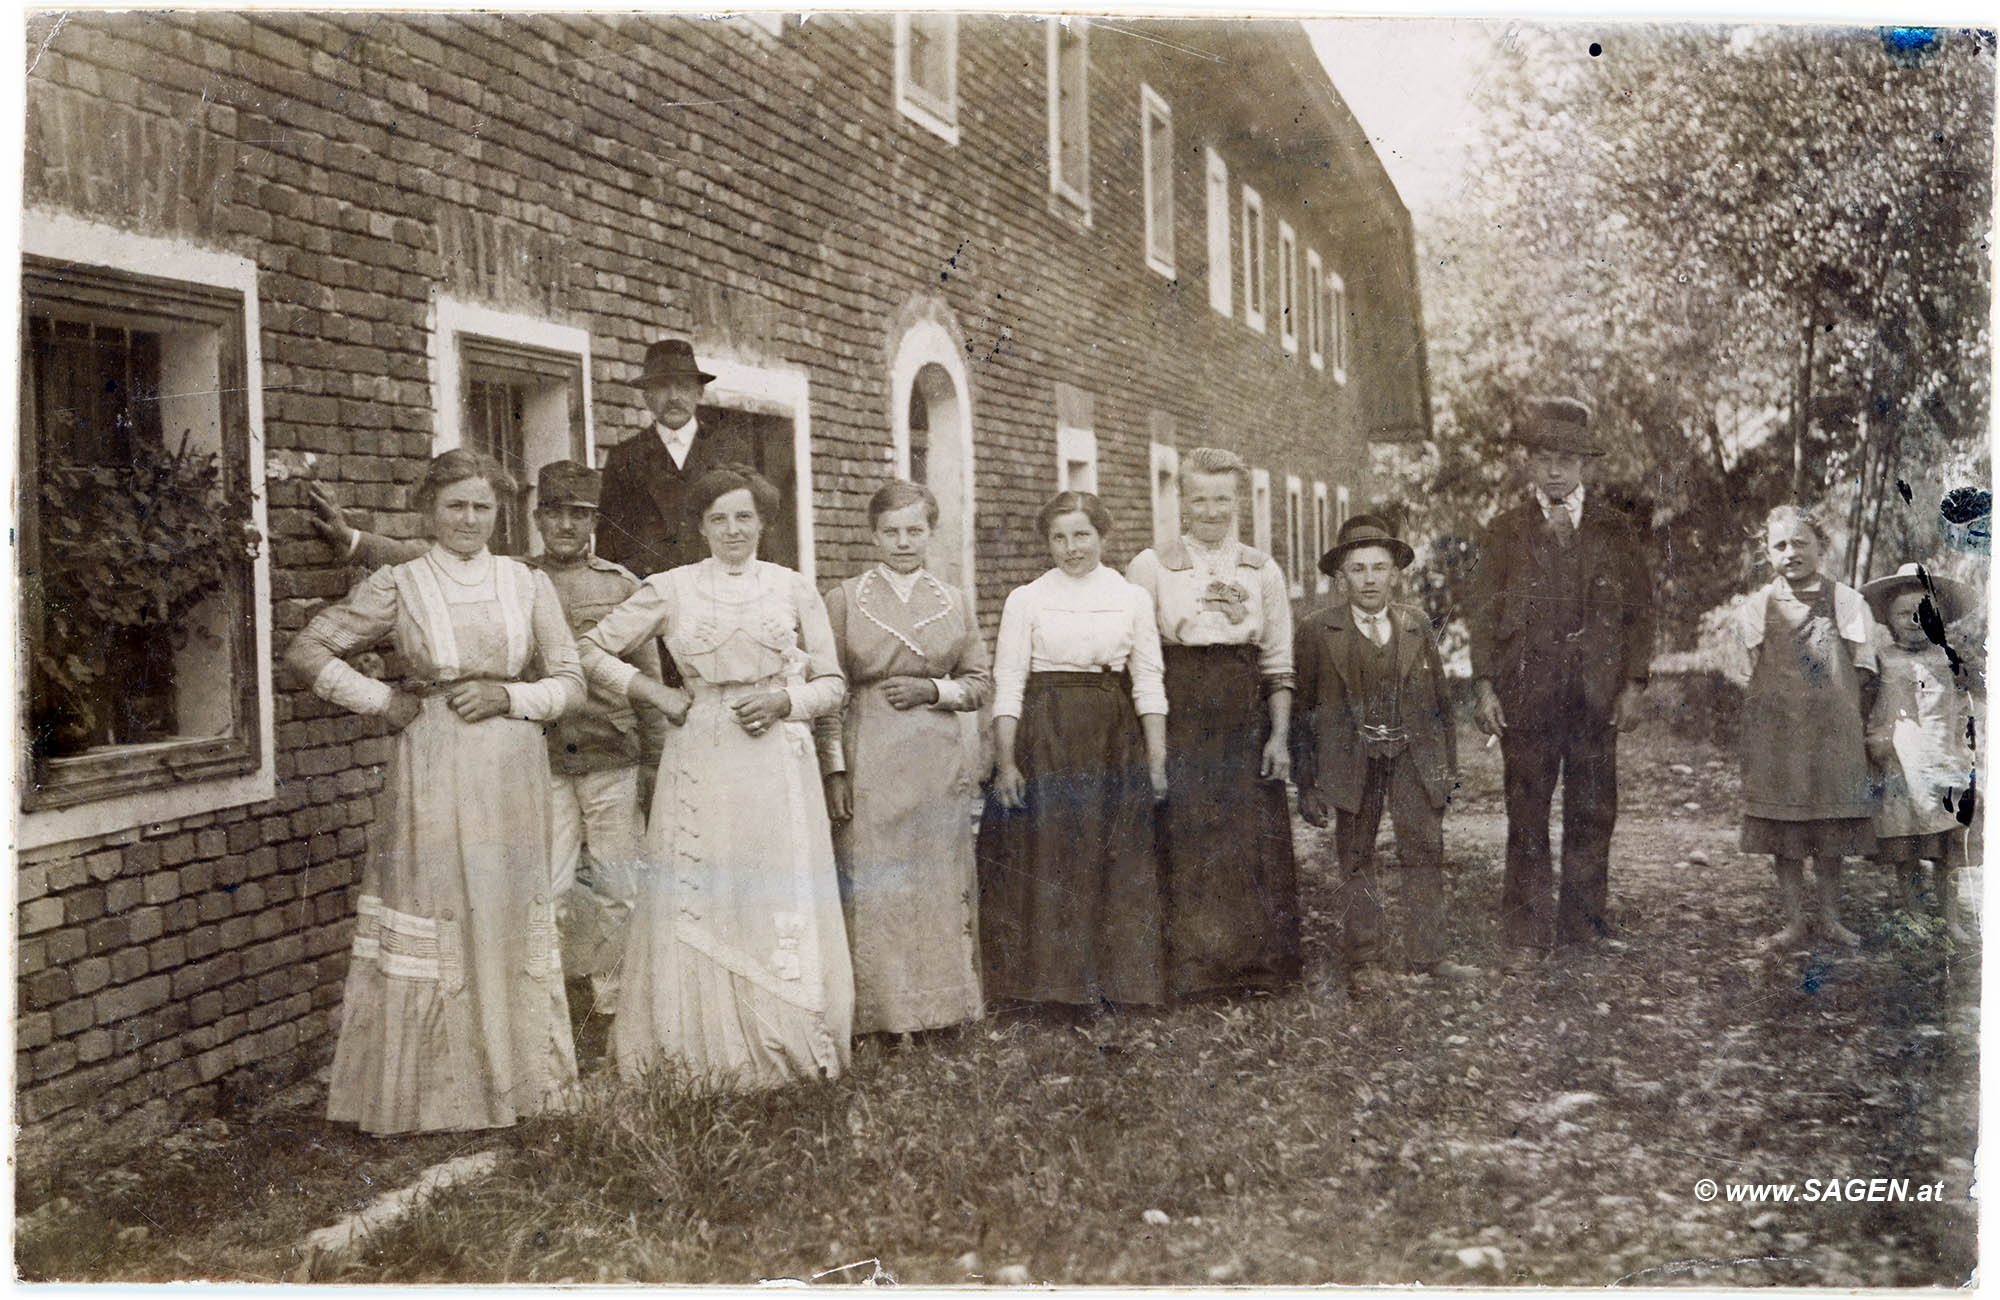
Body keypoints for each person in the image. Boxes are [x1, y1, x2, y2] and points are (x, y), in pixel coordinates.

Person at [286, 449, 585, 1134]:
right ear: (429, 511)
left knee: (505, 903)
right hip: (435, 760)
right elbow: (307, 653)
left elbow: (571, 682)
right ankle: (433, 1096)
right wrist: (380, 701)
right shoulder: (403, 582)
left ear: (499, 513)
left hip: (512, 762)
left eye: (483, 506)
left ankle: (520, 1083)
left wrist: (509, 694)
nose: (470, 519)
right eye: (456, 506)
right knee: (440, 899)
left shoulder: (526, 583)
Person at [308, 462, 666, 1024]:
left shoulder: (611, 584)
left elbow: (637, 677)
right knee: (516, 885)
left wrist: (653, 759)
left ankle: (612, 1003)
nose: (567, 526)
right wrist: (355, 543)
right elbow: (418, 565)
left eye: (580, 515)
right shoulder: (503, 571)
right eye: (555, 514)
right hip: (519, 757)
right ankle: (504, 1018)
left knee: (614, 882)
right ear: (537, 518)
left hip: (600, 749)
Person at [578, 464, 854, 1090]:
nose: (733, 530)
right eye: (718, 519)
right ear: (700, 526)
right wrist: (653, 692)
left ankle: (786, 1043)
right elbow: (588, 652)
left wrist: (788, 703)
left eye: (745, 517)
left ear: (763, 523)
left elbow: (833, 683)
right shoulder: (670, 588)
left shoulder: (792, 588)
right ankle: (702, 1050)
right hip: (700, 748)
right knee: (704, 884)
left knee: (772, 886)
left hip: (778, 755)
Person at [1467, 396, 1654, 961]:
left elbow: (1640, 612)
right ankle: (1525, 928)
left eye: (1567, 459)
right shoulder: (1503, 531)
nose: (1555, 469)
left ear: (1584, 466)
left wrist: (1634, 683)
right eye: (1545, 457)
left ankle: (1584, 924)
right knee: (1526, 810)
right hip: (1526, 695)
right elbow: (1479, 612)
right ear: (1530, 462)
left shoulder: (1615, 529)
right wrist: (1483, 686)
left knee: (1593, 808)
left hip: (1594, 696)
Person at [977, 491, 1170, 1012]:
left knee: (1115, 853)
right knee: (1052, 854)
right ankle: (1053, 989)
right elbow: (1009, 681)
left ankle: (1120, 984)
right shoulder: (1027, 598)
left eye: (1081, 534)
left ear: (1103, 536)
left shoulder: (1132, 597)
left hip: (1112, 734)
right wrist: (1008, 759)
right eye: (1058, 537)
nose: (1071, 548)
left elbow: (1148, 679)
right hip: (1048, 735)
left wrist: (1155, 759)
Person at [818, 481, 993, 1038]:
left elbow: (979, 683)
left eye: (914, 530)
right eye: (890, 532)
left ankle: (943, 1010)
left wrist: (932, 692)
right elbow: (826, 688)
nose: (902, 542)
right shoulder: (844, 599)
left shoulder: (953, 600)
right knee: (874, 879)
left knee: (938, 875)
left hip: (936, 757)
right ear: (873, 535)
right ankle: (880, 1016)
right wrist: (835, 769)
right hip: (869, 751)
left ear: (931, 534)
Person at [1125, 448, 1299, 998]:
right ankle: (1193, 970)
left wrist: (1278, 735)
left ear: (1238, 501)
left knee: (1249, 834)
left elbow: (1277, 662)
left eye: (1222, 498)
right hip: (1182, 708)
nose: (1211, 510)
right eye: (1199, 498)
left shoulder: (1261, 568)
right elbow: (1143, 659)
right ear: (1181, 500)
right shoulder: (1150, 566)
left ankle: (1256, 968)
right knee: (1188, 831)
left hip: (1244, 708)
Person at [1293, 515, 1474, 991]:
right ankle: (1364, 959)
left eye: (1379, 568)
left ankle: (1430, 955)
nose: (1369, 579)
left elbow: (1439, 703)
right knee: (1356, 854)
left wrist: (1444, 771)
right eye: (1358, 569)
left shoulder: (1415, 624)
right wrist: (1307, 782)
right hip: (1353, 760)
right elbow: (1302, 711)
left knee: (1423, 847)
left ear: (1395, 574)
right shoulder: (1316, 631)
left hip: (1411, 755)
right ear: (1341, 577)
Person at [1721, 506, 1878, 951]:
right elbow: (1744, 670)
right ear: (1767, 553)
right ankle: (1793, 922)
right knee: (1784, 832)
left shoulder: (1847, 601)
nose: (1791, 553)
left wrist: (1838, 711)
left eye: (1800, 543)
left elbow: (1864, 666)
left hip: (1832, 735)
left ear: (1820, 547)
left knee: (1830, 829)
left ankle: (1830, 918)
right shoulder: (1757, 606)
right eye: (1780, 545)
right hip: (1778, 737)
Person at [1860, 563, 1979, 943]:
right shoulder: (1882, 661)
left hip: (1946, 763)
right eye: (1903, 614)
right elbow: (1871, 706)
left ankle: (1950, 919)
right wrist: (1876, 739)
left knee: (1948, 854)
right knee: (1907, 849)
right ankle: (1915, 916)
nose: (1914, 621)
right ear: (1888, 620)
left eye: (1924, 612)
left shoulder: (1949, 659)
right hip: (1901, 766)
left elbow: (1964, 708)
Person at [596, 338, 747, 579]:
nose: (674, 396)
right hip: (650, 595)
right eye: (663, 386)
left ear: (699, 392)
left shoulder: (731, 452)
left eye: (684, 386)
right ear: (647, 397)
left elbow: (756, 532)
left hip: (720, 591)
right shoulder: (624, 457)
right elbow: (608, 547)